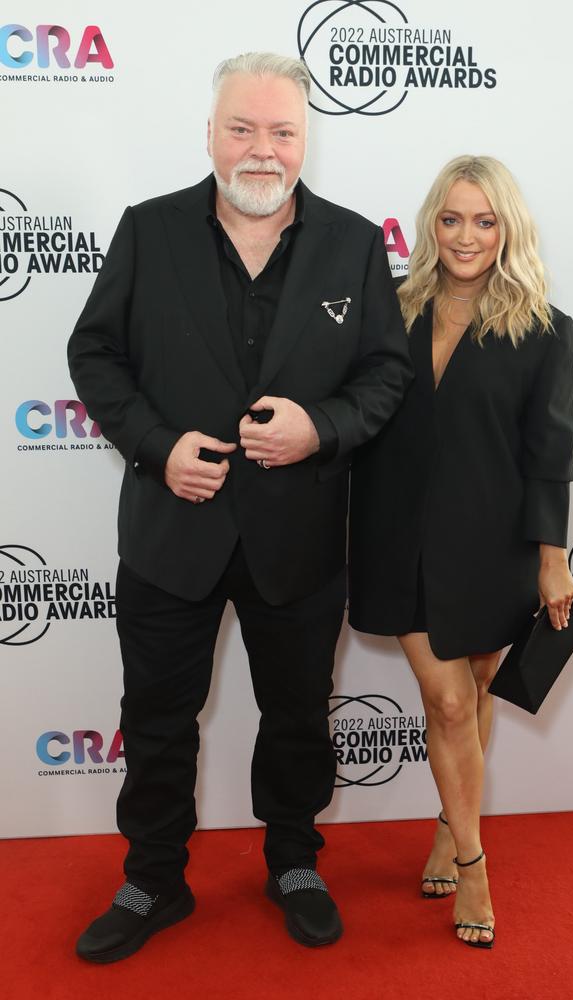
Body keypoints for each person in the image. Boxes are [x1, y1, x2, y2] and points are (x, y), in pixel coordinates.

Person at [68, 51, 411, 962]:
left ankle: (294, 859)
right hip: (170, 534)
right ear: (211, 133)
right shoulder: (149, 231)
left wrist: (321, 426)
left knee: (298, 713)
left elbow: (386, 374)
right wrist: (156, 445)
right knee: (156, 717)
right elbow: (95, 354)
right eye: (243, 128)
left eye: (282, 132)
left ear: (307, 141)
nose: (262, 150)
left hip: (299, 539)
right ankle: (153, 878)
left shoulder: (352, 243)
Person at [348, 155, 573, 949]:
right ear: (430, 226)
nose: (466, 236)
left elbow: (550, 451)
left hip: (493, 544)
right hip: (396, 537)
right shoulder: (392, 309)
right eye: (451, 219)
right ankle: (474, 862)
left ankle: (449, 824)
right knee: (447, 700)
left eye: (484, 220)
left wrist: (553, 557)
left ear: (506, 227)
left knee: (476, 691)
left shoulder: (544, 328)